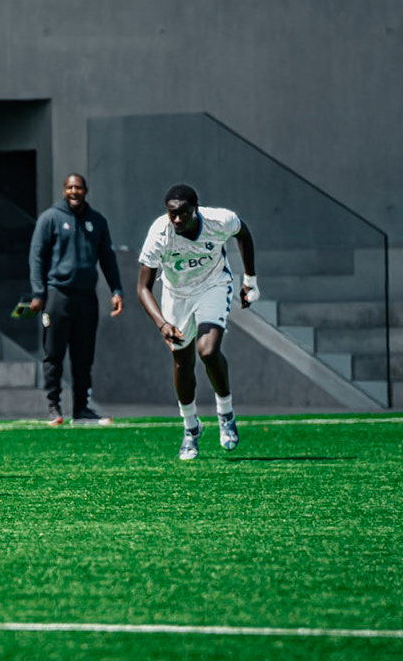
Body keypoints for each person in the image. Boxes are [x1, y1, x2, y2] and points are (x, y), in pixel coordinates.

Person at [135, 184, 258, 461]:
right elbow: (142, 288)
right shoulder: (159, 234)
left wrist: (250, 280)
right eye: (172, 214)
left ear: (195, 209)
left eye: (183, 213)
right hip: (176, 296)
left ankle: (225, 412)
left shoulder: (219, 220)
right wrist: (162, 324)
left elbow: (243, 233)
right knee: (182, 361)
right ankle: (191, 428)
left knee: (208, 350)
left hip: (213, 286)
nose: (177, 220)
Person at [28, 173, 123, 425]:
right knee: (54, 354)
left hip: (86, 297)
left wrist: (117, 290)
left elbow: (108, 258)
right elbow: (36, 257)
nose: (73, 191)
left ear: (85, 190)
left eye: (78, 187)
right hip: (57, 296)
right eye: (69, 187)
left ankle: (81, 408)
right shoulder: (50, 218)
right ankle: (53, 406)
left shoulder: (97, 221)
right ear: (63, 190)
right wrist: (39, 292)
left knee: (84, 355)